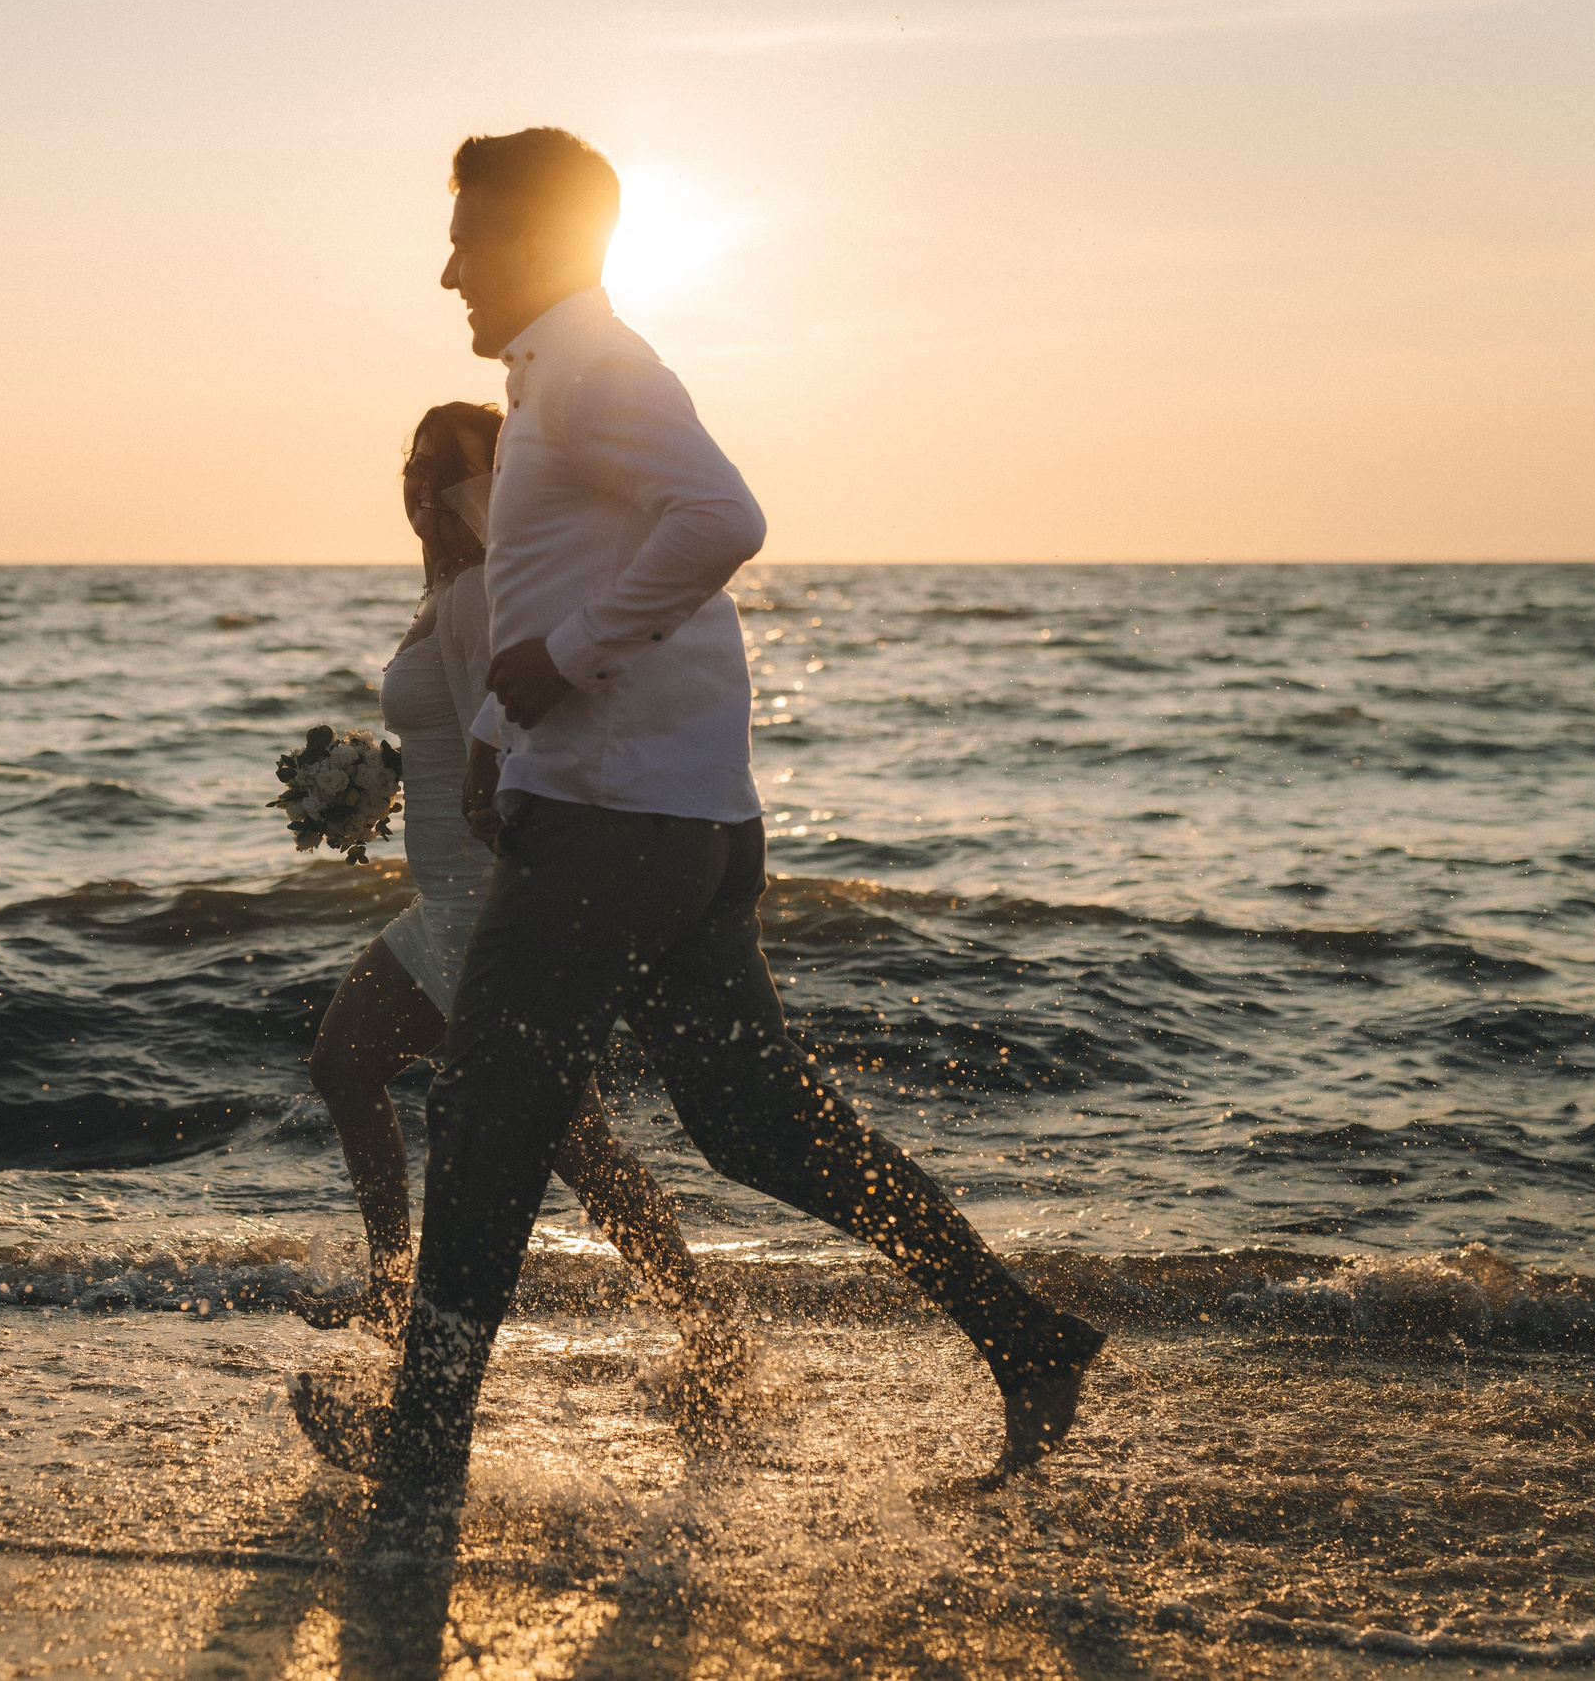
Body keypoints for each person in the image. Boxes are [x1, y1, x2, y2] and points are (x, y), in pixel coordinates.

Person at [295, 128, 1103, 1511]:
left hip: (618, 830)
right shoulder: (556, 389)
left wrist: (566, 668)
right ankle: (1023, 1336)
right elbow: (553, 602)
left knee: (489, 1114)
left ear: (543, 242)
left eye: (472, 238)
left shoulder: (601, 374)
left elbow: (723, 519)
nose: (448, 271)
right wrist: (498, 730)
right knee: (754, 1123)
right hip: (676, 820)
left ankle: (423, 1453)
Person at [296, 400, 734, 1366]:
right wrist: (372, 785)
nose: (421, 482)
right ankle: (392, 1283)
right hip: (443, 901)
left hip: (480, 902)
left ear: (488, 482)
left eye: (443, 467)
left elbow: (507, 740)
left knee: (578, 1145)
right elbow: (465, 735)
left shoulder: (472, 594)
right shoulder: (453, 589)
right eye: (410, 463)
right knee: (352, 1066)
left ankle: (706, 1329)